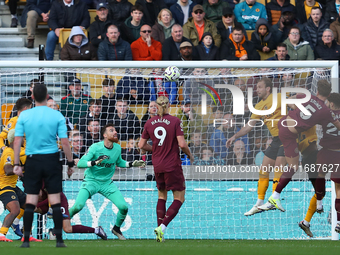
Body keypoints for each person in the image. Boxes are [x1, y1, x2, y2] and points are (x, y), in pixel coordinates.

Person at [260, 80, 340, 212]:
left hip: (284, 122)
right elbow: (336, 126)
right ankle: (274, 197)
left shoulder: (306, 96)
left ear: (317, 91)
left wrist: (300, 109)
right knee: (293, 166)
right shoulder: (326, 111)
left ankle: (275, 196)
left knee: (295, 165)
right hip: (288, 134)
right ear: (328, 94)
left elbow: (287, 100)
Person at [13, 83, 74, 248]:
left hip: (32, 159)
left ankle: (26, 240)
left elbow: (17, 140)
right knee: (54, 200)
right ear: (47, 96)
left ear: (32, 97)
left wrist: (17, 163)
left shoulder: (24, 116)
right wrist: (70, 162)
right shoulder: (57, 116)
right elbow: (65, 142)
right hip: (52, 160)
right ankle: (59, 240)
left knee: (31, 200)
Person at [69, 123, 145, 240]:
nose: (115, 132)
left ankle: (116, 229)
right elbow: (80, 163)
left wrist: (131, 164)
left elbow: (119, 162)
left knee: (124, 207)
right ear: (105, 135)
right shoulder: (95, 147)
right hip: (91, 181)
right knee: (77, 207)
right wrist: (95, 162)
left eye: (115, 130)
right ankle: (57, 226)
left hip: (106, 183)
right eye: (111, 131)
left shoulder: (117, 148)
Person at [226, 78, 286, 216]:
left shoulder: (279, 97)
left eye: (259, 87)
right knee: (264, 170)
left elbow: (295, 104)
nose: (257, 90)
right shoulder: (258, 106)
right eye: (256, 87)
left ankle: (274, 199)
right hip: (276, 139)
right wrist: (234, 137)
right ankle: (259, 203)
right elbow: (248, 127)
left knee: (279, 168)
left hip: (287, 136)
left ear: (268, 89)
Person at [138, 96, 193, 242]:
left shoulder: (149, 123)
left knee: (162, 196)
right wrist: (190, 155)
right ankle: (162, 227)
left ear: (156, 106)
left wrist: (154, 150)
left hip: (157, 164)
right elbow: (181, 144)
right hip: (172, 164)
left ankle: (159, 232)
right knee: (179, 198)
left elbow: (141, 145)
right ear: (168, 105)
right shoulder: (175, 121)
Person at [310, 93, 340, 234]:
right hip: (338, 154)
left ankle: (320, 204)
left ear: (332, 104)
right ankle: (339, 222)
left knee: (320, 175)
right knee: (338, 188)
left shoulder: (324, 114)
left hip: (326, 151)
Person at [0, 130, 35, 242]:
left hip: (12, 186)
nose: (24, 140)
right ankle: (1, 234)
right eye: (22, 138)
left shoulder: (15, 152)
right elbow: (7, 170)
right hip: (3, 186)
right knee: (15, 210)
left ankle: (27, 235)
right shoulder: (9, 152)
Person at [35, 189, 107, 240]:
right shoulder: (27, 181)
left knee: (67, 229)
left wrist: (38, 204)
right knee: (30, 209)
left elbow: (54, 195)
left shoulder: (45, 180)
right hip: (46, 202)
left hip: (59, 200)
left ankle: (97, 230)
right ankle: (27, 234)